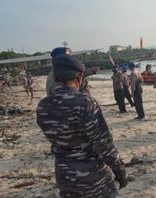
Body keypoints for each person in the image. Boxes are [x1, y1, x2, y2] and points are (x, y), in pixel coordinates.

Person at [36, 54, 127, 197]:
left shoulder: (43, 106)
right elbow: (103, 144)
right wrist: (120, 171)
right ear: (79, 77)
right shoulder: (85, 103)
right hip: (92, 177)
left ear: (55, 78)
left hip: (64, 176)